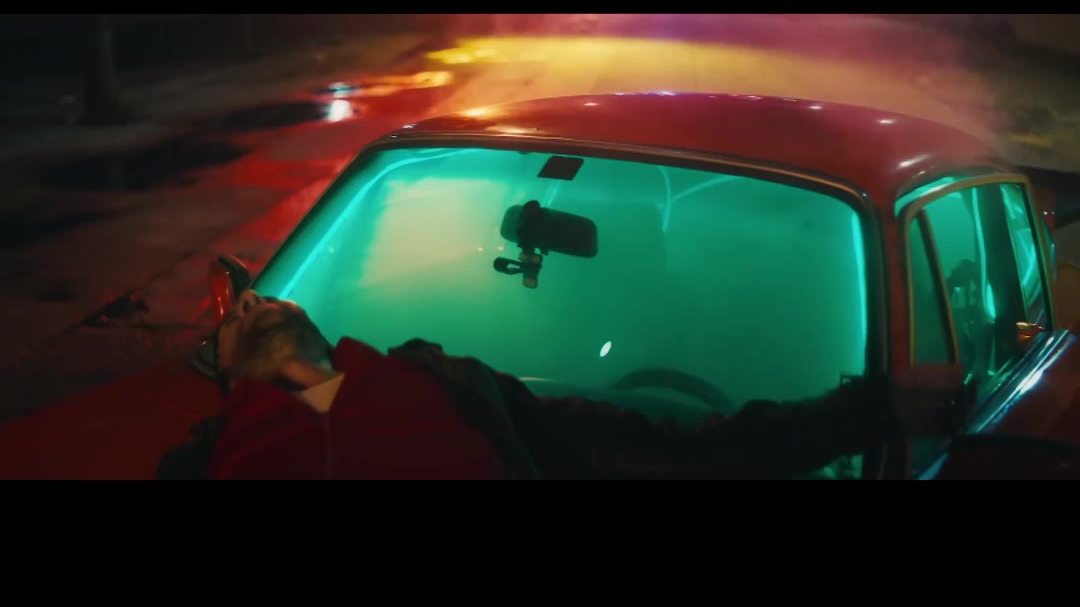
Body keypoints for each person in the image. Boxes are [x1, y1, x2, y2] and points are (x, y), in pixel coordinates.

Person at [158, 290, 969, 480]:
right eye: (233, 319)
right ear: (228, 380)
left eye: (257, 297)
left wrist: (867, 410)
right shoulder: (208, 458)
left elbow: (686, 454)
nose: (250, 302)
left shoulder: (448, 386)